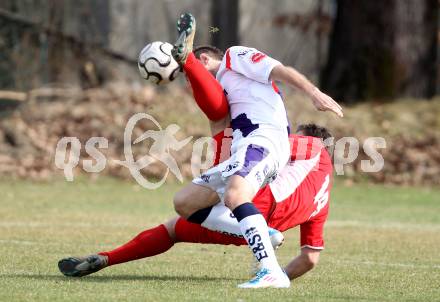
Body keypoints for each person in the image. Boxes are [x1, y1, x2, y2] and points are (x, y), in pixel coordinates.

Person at [171, 13, 342, 288]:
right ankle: (266, 234)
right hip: (243, 149)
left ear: (204, 61)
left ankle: (271, 271)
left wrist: (314, 93)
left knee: (237, 195)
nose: (189, 84)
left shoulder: (234, 57)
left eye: (189, 76)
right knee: (185, 202)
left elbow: (280, 69)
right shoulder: (221, 90)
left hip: (265, 139)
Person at [58, 123, 333, 283]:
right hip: (249, 235)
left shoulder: (312, 144)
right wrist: (278, 274)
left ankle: (107, 258)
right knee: (179, 226)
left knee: (175, 225)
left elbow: (275, 145)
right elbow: (310, 259)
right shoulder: (323, 201)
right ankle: (266, 245)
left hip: (245, 206)